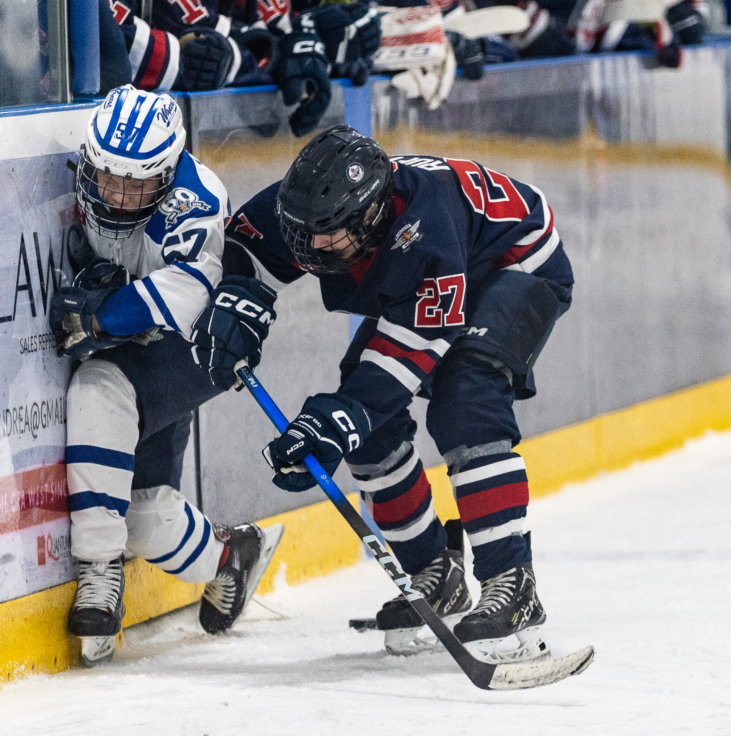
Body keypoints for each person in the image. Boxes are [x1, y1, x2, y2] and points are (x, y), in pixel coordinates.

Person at [191, 125, 573, 661]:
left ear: (373, 218)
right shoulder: (313, 210)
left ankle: (513, 584)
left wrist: (334, 421)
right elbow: (244, 245)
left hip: (514, 265)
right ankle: (434, 572)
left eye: (329, 237)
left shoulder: (424, 234)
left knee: (466, 402)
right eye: (305, 233)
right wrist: (236, 297)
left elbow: (406, 357)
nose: (313, 247)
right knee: (367, 432)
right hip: (446, 271)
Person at [49, 85, 283, 667]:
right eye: (109, 180)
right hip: (139, 345)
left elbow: (185, 295)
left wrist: (101, 315)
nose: (120, 198)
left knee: (97, 386)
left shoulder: (195, 200)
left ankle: (99, 571)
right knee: (149, 516)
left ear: (169, 171)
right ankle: (233, 556)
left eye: (138, 185)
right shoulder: (92, 174)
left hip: (191, 349)